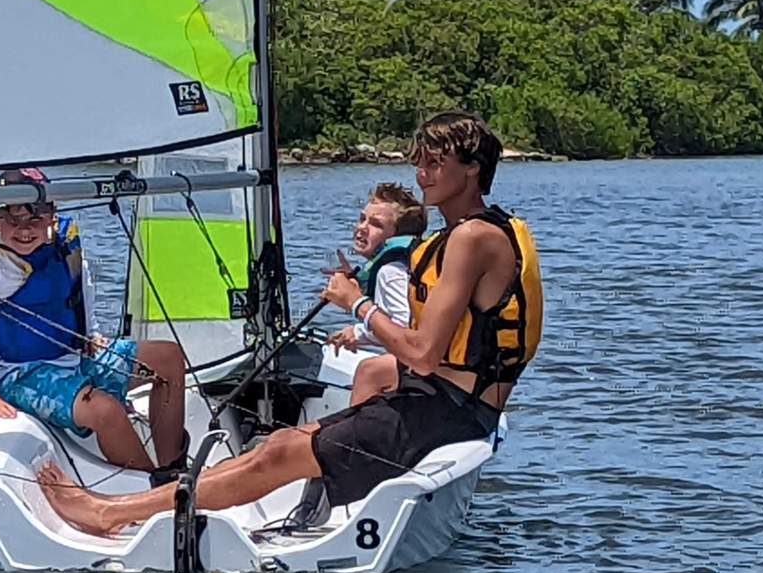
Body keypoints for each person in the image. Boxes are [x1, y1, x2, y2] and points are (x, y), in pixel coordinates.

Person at [37, 112, 543, 536]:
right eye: (419, 162)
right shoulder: (472, 231)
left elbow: (425, 353)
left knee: (276, 457)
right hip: (437, 400)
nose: (422, 174)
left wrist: (358, 304)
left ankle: (107, 513)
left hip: (449, 412)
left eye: (436, 163)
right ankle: (149, 507)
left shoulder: (474, 238)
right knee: (278, 445)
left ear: (473, 170)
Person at [0, 168, 188, 476]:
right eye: (12, 219)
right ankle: (153, 489)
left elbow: (80, 287)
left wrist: (91, 335)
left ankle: (172, 469)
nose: (24, 230)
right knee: (105, 409)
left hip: (72, 355)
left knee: (168, 358)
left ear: (52, 215)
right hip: (18, 373)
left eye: (35, 218)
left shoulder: (65, 241)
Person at [325, 182, 427, 406]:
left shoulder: (390, 272)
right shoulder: (401, 264)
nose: (362, 227)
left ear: (394, 237)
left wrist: (356, 317)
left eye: (376, 224)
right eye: (362, 219)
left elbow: (404, 331)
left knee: (368, 371)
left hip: (418, 365)